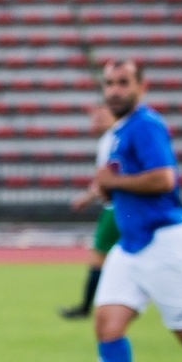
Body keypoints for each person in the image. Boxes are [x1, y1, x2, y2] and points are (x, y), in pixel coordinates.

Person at [67, 59, 182, 362]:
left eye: (123, 83)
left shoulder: (146, 125)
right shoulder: (116, 133)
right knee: (107, 324)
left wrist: (115, 181)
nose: (114, 90)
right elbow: (116, 191)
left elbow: (164, 178)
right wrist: (108, 189)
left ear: (141, 87)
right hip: (131, 246)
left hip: (164, 242)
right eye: (109, 83)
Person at [59, 104, 120, 319]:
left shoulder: (112, 140)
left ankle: (86, 308)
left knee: (99, 257)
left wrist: (86, 198)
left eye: (101, 116)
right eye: (95, 117)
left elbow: (106, 178)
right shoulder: (114, 138)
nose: (96, 121)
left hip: (116, 207)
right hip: (121, 206)